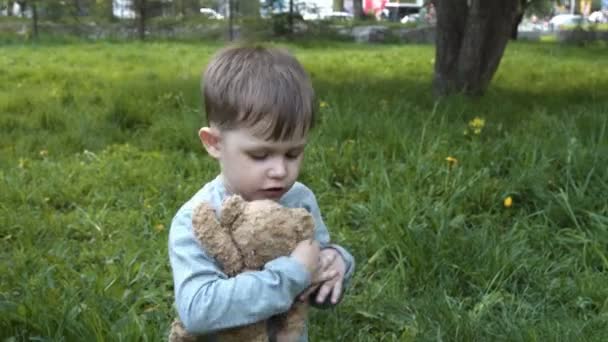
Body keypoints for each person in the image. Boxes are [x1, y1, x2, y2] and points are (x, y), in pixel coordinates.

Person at [168, 45, 355, 341]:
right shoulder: (198, 219)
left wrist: (337, 262)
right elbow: (197, 309)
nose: (280, 171)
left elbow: (316, 255)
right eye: (260, 155)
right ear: (214, 143)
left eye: (293, 153)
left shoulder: (299, 199)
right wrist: (291, 275)